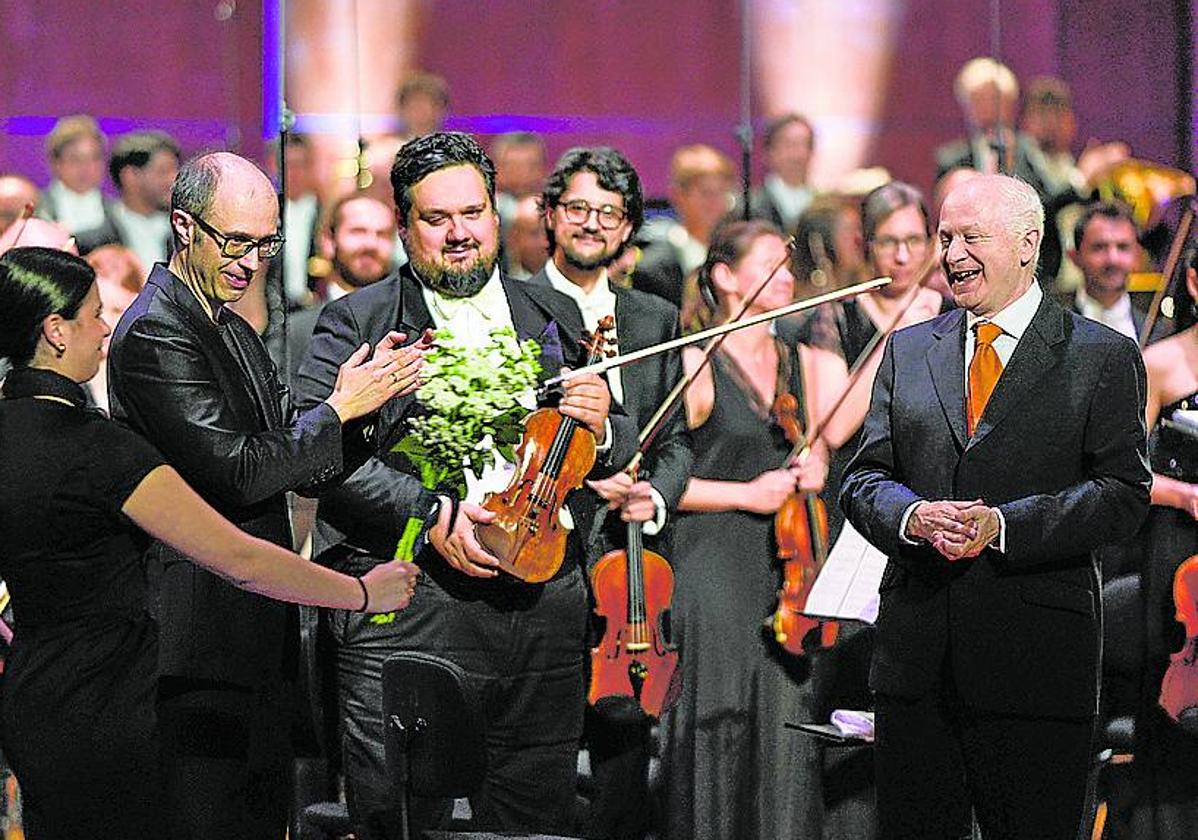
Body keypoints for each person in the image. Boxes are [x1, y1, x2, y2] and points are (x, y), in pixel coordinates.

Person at [0, 246, 419, 839]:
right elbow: (237, 558)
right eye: (94, 315)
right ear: (55, 331)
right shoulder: (98, 449)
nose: (105, 329)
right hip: (112, 705)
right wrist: (361, 593)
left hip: (32, 695)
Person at [293, 131, 637, 838]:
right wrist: (431, 515)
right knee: (400, 816)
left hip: (540, 609)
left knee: (535, 817)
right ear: (405, 226)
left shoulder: (555, 316)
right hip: (412, 604)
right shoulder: (355, 321)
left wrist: (601, 427)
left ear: (495, 212)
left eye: (473, 214)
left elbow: (614, 445)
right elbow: (319, 458)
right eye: (436, 218)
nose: (459, 235)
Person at [106, 151, 427, 839]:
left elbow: (299, 464)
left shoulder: (231, 327)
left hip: (253, 631)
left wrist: (370, 405)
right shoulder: (158, 331)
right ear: (184, 227)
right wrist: (339, 411)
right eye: (237, 242)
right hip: (194, 645)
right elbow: (238, 472)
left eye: (266, 243)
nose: (252, 262)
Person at [840, 174, 1151, 840]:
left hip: (1037, 665)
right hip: (916, 665)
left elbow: (1124, 494)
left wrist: (1006, 526)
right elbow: (864, 478)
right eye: (945, 238)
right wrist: (911, 517)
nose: (952, 255)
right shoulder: (908, 349)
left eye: (971, 238)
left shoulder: (1100, 355)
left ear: (1027, 244)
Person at [660, 219, 852, 840]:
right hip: (712, 562)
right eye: (771, 263)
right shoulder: (696, 361)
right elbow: (660, 483)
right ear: (724, 276)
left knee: (784, 728)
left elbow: (833, 433)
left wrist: (815, 462)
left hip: (787, 571)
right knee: (719, 721)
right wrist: (746, 494)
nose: (788, 277)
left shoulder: (798, 357)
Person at [529, 145, 694, 840]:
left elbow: (680, 441)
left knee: (626, 776)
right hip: (545, 559)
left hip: (631, 575)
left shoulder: (654, 320)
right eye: (577, 209)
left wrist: (651, 494)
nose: (592, 224)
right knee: (539, 767)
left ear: (628, 227)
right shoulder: (514, 306)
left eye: (609, 212)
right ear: (549, 215)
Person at [1133, 252, 1198, 838]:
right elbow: (1123, 473)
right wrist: (1184, 495)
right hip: (1178, 549)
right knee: (1175, 696)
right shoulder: (1160, 362)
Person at [632, 144, 735, 311]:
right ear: (678, 195)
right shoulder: (652, 266)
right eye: (707, 193)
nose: (716, 203)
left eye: (722, 192)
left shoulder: (734, 255)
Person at [75, 130, 180, 270]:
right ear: (130, 176)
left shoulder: (182, 229)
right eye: (163, 171)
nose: (173, 180)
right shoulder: (93, 239)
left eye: (175, 171)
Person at [1068, 199, 1167, 343]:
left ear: (1138, 256)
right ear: (1075, 257)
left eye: (1123, 247)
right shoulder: (1053, 328)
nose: (1113, 259)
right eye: (1099, 247)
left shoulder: (1158, 335)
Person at [36, 115, 110, 236]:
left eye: (94, 158)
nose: (86, 168)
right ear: (56, 163)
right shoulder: (39, 211)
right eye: (76, 159)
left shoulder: (117, 214)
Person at [749, 113, 818, 232]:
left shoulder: (822, 206)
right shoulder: (751, 205)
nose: (798, 154)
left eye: (805, 144)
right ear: (770, 152)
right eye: (790, 145)